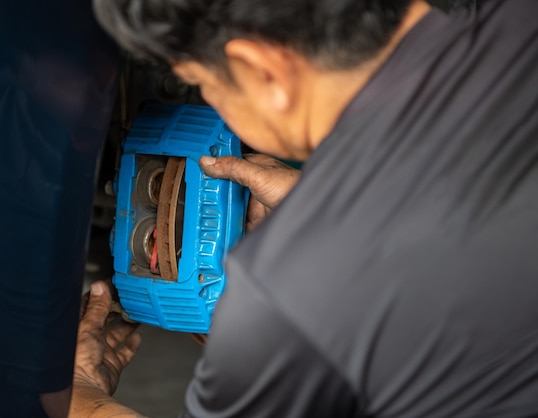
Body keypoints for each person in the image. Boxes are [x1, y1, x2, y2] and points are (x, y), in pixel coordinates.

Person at [71, 0, 538, 416]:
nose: (208, 101)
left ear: (261, 70)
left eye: (201, 83)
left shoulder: (288, 309)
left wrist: (84, 400)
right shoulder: (516, 21)